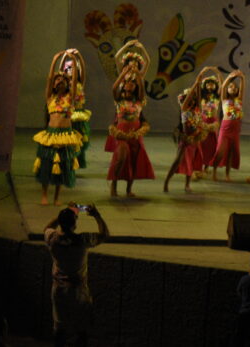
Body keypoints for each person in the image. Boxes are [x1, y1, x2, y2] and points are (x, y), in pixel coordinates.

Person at [44, 205, 108, 347]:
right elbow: (104, 234)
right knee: (81, 329)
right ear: (75, 224)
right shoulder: (83, 240)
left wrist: (64, 213)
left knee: (59, 329)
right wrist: (97, 215)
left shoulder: (52, 239)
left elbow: (47, 228)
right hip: (78, 291)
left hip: (59, 290)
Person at [34, 51, 83, 206]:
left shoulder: (70, 98)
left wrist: (74, 60)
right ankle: (44, 194)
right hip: (51, 135)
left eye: (63, 79)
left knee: (62, 166)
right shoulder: (50, 98)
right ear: (54, 84)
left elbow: (75, 80)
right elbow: (49, 78)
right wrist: (55, 59)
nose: (60, 81)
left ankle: (56, 197)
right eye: (57, 80)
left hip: (65, 135)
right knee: (47, 164)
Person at [107, 61, 154, 197]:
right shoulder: (119, 100)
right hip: (121, 133)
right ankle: (114, 184)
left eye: (132, 86)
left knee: (134, 160)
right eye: (126, 86)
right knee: (121, 157)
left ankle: (128, 189)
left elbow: (141, 87)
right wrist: (123, 73)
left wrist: (138, 74)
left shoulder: (139, 100)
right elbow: (114, 87)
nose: (128, 88)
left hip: (135, 134)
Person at [163, 87, 207, 193]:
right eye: (189, 97)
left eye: (194, 98)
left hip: (195, 139)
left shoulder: (197, 110)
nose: (192, 99)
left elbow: (198, 98)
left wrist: (198, 84)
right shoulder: (184, 109)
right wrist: (196, 83)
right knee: (177, 161)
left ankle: (187, 184)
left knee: (191, 161)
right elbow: (187, 100)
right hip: (185, 139)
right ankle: (166, 182)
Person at [212, 69, 245, 181]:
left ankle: (227, 174)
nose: (233, 88)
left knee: (231, 152)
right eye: (231, 87)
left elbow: (242, 88)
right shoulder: (224, 99)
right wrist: (229, 77)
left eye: (235, 87)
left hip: (235, 129)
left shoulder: (239, 99)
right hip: (225, 128)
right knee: (220, 151)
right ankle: (214, 171)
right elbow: (223, 87)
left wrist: (242, 78)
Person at [196, 68, 223, 173]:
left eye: (212, 84)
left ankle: (208, 164)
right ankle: (200, 164)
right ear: (205, 86)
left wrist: (217, 72)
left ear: (215, 86)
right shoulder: (201, 97)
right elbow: (198, 85)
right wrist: (202, 73)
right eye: (208, 84)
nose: (210, 86)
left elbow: (222, 84)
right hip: (203, 121)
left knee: (211, 145)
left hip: (213, 122)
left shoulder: (217, 97)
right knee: (202, 143)